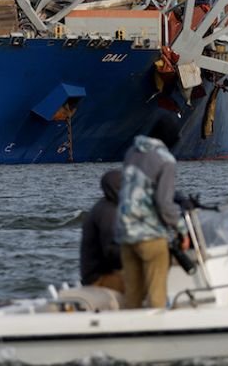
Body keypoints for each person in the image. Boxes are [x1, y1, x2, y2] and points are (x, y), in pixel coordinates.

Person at [116, 119, 188, 309]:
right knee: (157, 295)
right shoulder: (166, 160)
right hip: (150, 235)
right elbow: (164, 203)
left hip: (125, 234)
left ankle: (131, 326)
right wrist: (182, 230)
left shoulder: (131, 152)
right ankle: (159, 327)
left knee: (132, 296)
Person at [79, 169, 124, 292]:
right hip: (99, 278)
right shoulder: (108, 213)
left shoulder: (105, 207)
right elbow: (111, 252)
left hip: (98, 274)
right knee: (145, 281)